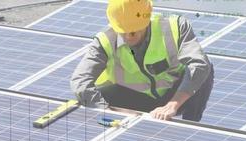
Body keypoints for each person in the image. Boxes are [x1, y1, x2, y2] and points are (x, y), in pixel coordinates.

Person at [70, 0, 214, 121]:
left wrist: (173, 104)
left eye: (134, 30)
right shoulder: (105, 41)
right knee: (89, 96)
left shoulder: (175, 27)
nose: (128, 36)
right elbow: (80, 81)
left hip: (175, 95)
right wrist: (109, 110)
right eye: (123, 30)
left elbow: (199, 64)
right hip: (134, 99)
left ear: (146, 20)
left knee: (205, 69)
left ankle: (190, 126)